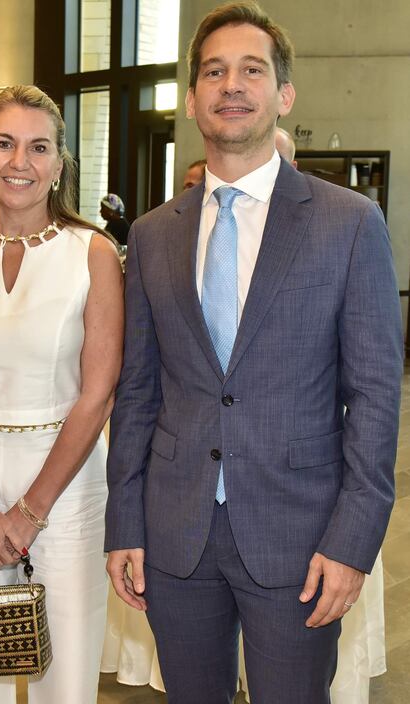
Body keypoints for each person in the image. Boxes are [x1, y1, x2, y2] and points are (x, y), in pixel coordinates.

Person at [105, 3, 403, 703]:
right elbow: (138, 390)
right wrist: (125, 521)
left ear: (283, 94)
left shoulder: (349, 224)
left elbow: (377, 396)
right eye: (214, 71)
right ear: (192, 98)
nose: (231, 85)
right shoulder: (153, 235)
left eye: (251, 70)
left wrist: (353, 541)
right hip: (176, 534)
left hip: (299, 536)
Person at [0, 84, 123, 703]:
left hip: (66, 485)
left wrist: (30, 510)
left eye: (39, 148)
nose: (21, 162)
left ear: (60, 164)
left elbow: (97, 393)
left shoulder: (92, 254)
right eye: (5, 144)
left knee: (65, 676)